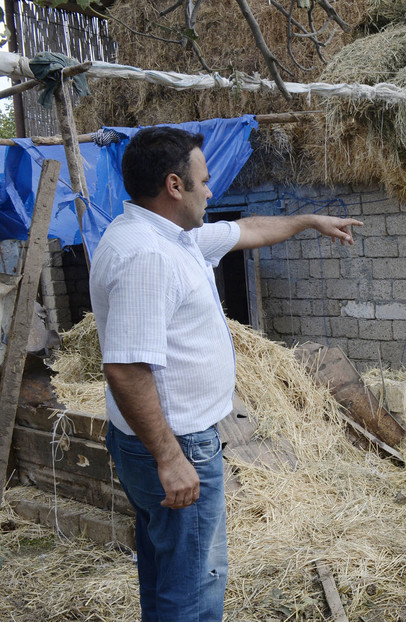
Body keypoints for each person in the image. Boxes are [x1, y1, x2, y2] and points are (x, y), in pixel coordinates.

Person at [89, 126, 362, 621]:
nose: (212, 191)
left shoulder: (173, 238)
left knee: (166, 568)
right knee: (194, 585)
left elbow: (249, 230)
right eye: (205, 180)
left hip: (163, 440)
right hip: (175, 443)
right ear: (175, 186)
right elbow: (125, 369)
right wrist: (170, 458)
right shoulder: (147, 256)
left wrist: (308, 220)